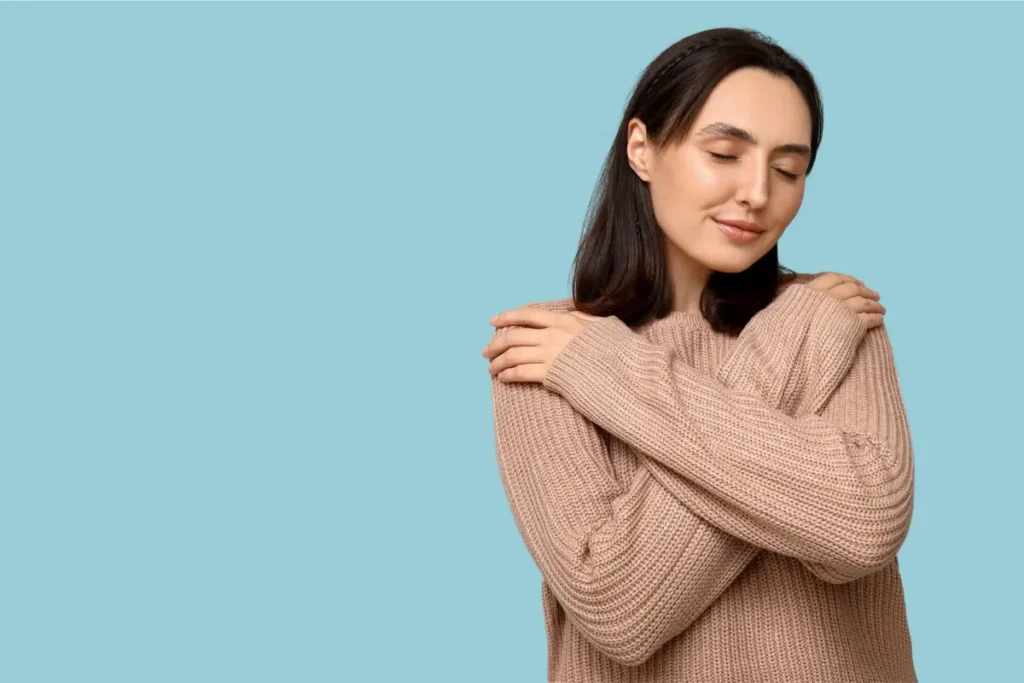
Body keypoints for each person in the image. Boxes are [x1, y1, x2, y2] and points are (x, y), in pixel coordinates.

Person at [480, 27, 916, 682]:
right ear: (642, 149)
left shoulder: (832, 316)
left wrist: (616, 375)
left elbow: (865, 525)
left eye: (788, 169)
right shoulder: (548, 351)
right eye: (724, 152)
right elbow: (619, 605)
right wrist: (605, 362)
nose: (757, 193)